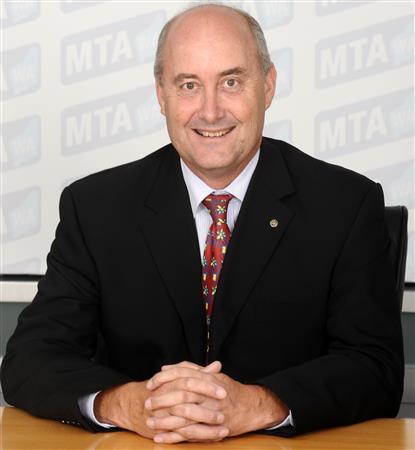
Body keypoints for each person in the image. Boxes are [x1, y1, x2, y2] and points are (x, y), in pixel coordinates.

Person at [1, 3, 404, 444]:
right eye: (188, 85)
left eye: (231, 82)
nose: (210, 112)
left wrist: (257, 405)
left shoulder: (346, 205)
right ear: (161, 95)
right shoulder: (95, 208)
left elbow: (375, 368)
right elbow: (30, 359)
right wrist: (129, 404)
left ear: (268, 85)